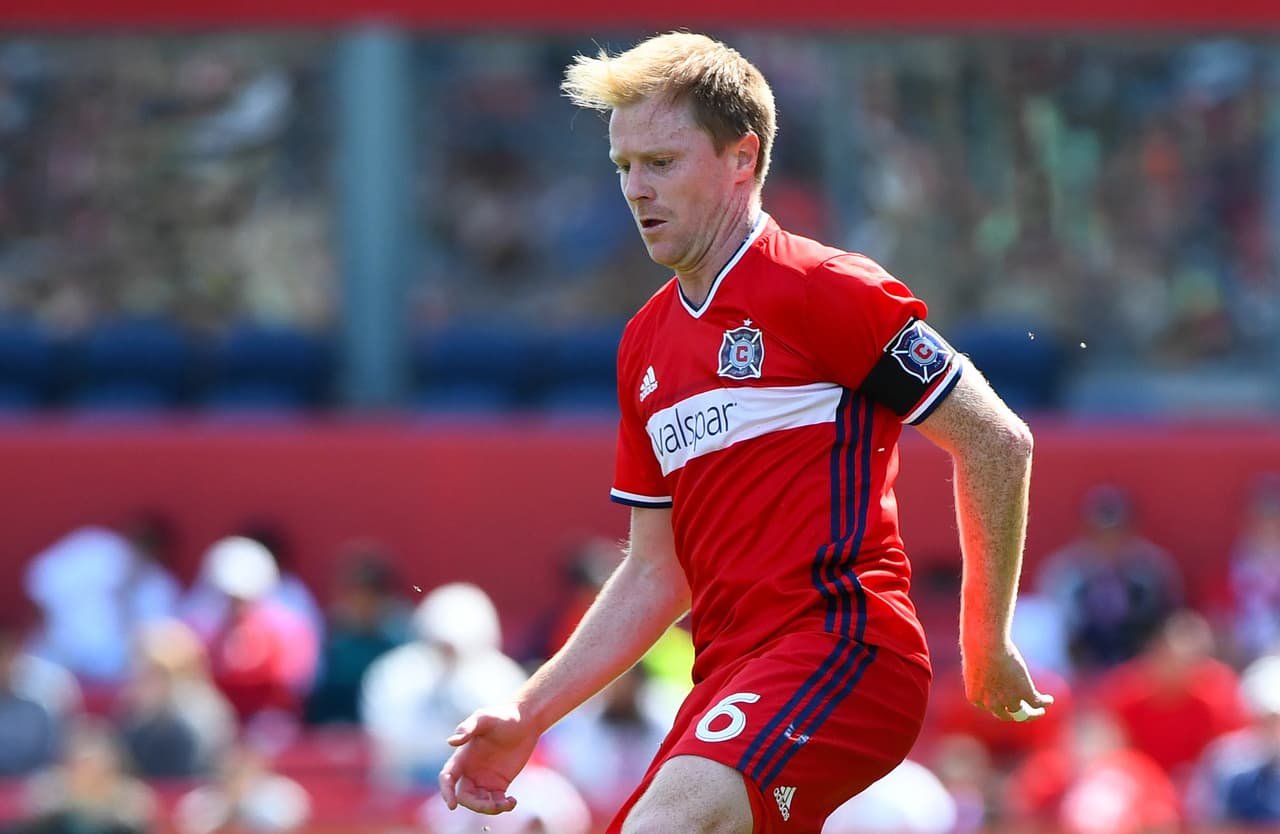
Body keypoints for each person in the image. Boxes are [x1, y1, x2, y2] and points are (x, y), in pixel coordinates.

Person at [439, 32, 1053, 834]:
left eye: (661, 162)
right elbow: (655, 570)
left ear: (742, 158)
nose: (635, 188)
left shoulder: (825, 287)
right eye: (624, 166)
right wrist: (528, 712)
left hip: (844, 651)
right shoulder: (644, 344)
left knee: (668, 824)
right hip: (728, 682)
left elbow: (998, 440)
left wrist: (986, 638)